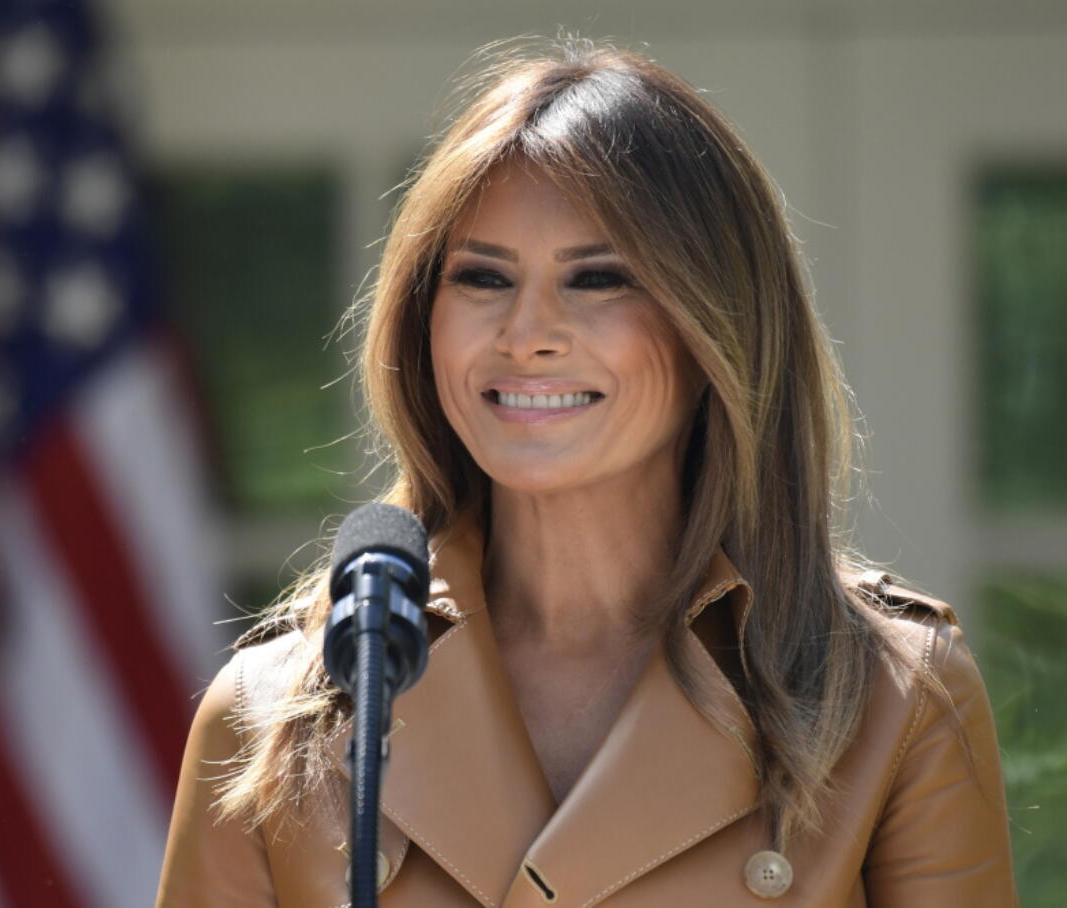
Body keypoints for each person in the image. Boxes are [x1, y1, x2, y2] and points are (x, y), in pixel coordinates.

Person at [156, 39, 1017, 906]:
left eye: (599, 279)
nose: (527, 332)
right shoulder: (273, 714)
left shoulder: (893, 701)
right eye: (483, 277)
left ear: (719, 325)